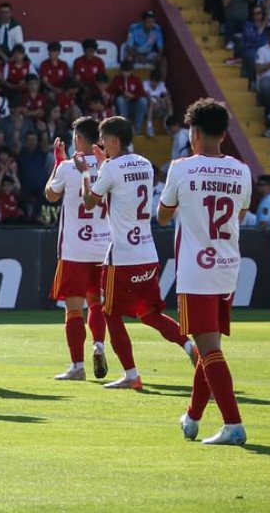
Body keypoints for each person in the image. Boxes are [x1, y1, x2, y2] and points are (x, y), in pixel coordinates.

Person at [157, 98, 252, 446]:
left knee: (209, 349)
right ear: (224, 135)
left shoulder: (181, 168)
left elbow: (163, 216)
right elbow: (239, 215)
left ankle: (233, 424)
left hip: (196, 269)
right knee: (207, 344)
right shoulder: (241, 170)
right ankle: (193, 417)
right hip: (227, 267)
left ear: (193, 133)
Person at [79, 116, 197, 390]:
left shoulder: (109, 167)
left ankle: (131, 375)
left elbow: (89, 203)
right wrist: (105, 165)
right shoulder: (145, 163)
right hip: (147, 252)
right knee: (151, 314)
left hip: (121, 256)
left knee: (109, 313)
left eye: (103, 139)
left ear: (113, 140)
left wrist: (87, 172)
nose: (101, 144)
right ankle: (189, 345)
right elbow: (122, 195)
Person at [45, 117, 111, 381]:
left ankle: (77, 366)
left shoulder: (69, 167)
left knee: (73, 309)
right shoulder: (110, 166)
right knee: (97, 304)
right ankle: (99, 345)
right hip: (104, 247)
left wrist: (58, 162)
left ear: (79, 140)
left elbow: (50, 194)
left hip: (75, 248)